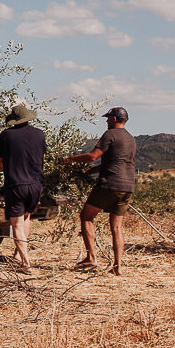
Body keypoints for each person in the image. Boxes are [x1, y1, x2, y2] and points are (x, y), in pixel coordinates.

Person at [63, 106, 137, 275]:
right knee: (117, 227)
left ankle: (91, 258)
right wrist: (90, 172)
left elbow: (93, 156)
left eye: (108, 118)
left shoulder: (110, 135)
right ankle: (117, 266)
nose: (106, 120)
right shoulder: (131, 139)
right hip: (128, 186)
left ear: (115, 119)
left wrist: (69, 159)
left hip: (109, 184)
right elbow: (113, 162)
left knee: (86, 217)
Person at [0, 103, 46, 273]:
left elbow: (0, 162)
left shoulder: (6, 136)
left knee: (16, 224)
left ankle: (25, 263)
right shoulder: (40, 134)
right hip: (36, 184)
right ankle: (18, 254)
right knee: (26, 217)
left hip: (16, 184)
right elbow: (43, 157)